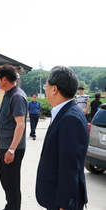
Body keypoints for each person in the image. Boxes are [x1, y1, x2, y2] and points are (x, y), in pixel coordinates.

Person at [36, 66, 89, 210]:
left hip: (62, 202)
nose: (45, 89)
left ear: (54, 89)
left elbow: (69, 166)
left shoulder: (70, 118)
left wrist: (64, 205)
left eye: (45, 85)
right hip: (55, 196)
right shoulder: (64, 112)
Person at [0, 64, 28, 210]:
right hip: (4, 145)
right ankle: (11, 206)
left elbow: (20, 125)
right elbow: (7, 121)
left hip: (12, 148)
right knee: (5, 179)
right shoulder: (8, 93)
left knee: (12, 182)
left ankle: (14, 207)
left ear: (4, 79)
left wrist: (12, 150)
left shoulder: (17, 96)